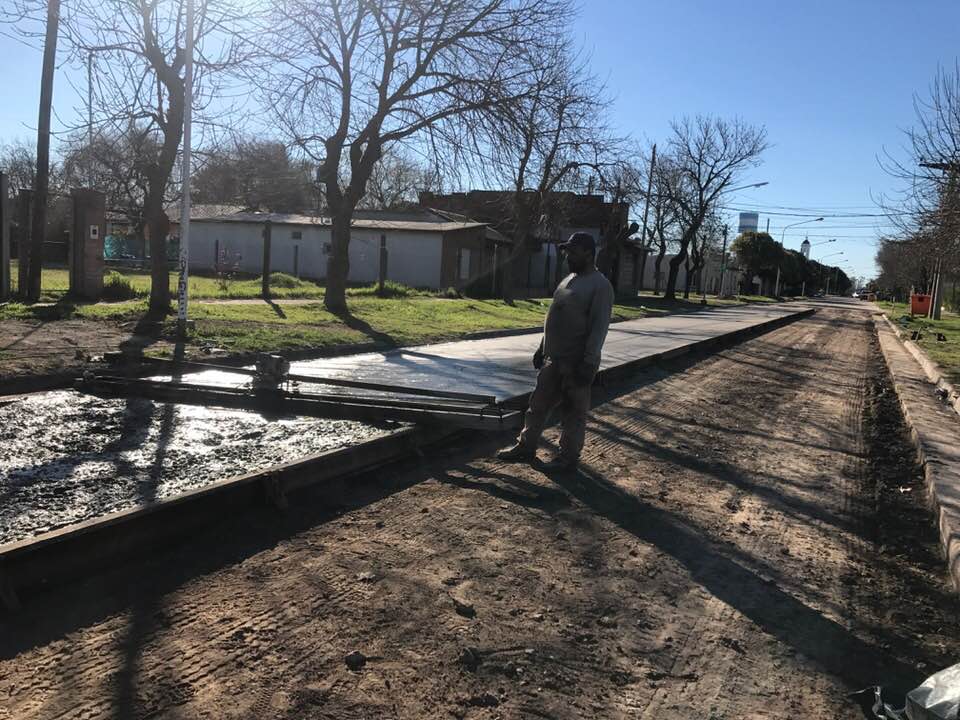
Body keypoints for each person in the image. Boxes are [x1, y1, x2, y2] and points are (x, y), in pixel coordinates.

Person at [497, 232, 615, 471]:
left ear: (588, 253)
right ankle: (526, 446)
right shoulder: (568, 280)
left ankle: (568, 458)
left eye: (573, 252)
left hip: (577, 361)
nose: (568, 256)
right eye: (567, 251)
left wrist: (588, 362)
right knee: (537, 405)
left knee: (573, 412)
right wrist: (542, 347)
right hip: (554, 358)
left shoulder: (600, 286)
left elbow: (599, 327)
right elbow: (555, 316)